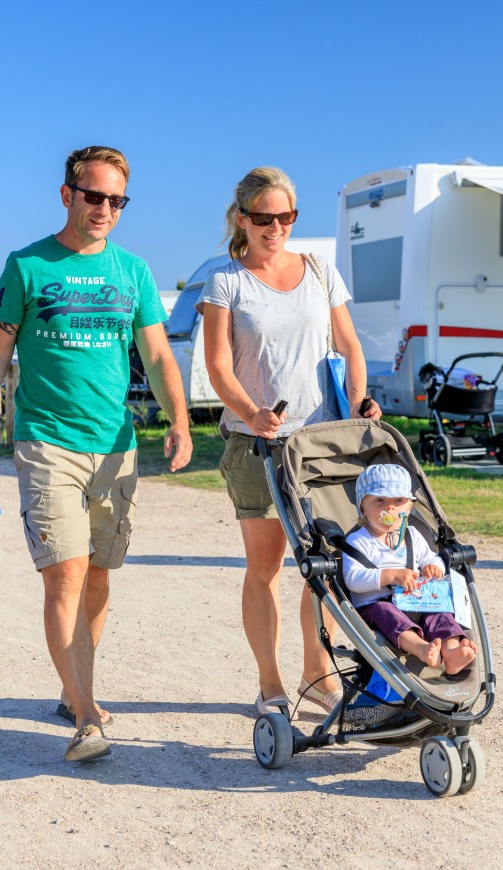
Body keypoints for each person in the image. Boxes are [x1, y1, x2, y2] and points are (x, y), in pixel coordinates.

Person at [0, 145, 193, 762]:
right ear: (67, 194)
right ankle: (84, 718)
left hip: (116, 448)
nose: (104, 208)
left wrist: (180, 421)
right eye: (94, 195)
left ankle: (76, 686)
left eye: (116, 200)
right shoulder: (27, 266)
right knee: (65, 574)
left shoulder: (133, 271)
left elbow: (157, 356)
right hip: (47, 442)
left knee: (99, 577)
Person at [197, 166, 381, 717]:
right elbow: (217, 365)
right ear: (242, 219)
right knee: (266, 568)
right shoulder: (225, 282)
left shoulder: (320, 271)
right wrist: (250, 412)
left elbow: (348, 346)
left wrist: (359, 400)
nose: (274, 227)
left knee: (325, 563)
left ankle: (317, 673)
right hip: (257, 446)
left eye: (285, 217)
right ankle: (271, 682)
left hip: (321, 443)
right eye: (262, 218)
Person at [343, 464, 477, 674]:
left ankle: (452, 650)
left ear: (409, 507)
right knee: (388, 615)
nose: (390, 508)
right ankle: (421, 648)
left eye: (398, 501)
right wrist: (391, 575)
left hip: (416, 601)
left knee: (440, 612)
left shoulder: (412, 535)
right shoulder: (359, 540)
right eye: (379, 500)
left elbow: (430, 557)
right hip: (376, 604)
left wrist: (434, 566)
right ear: (362, 507)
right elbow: (353, 578)